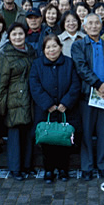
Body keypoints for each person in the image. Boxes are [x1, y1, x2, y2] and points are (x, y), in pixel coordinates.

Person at [30, 34, 81, 184]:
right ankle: (49, 170)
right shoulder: (37, 64)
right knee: (47, 141)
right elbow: (34, 86)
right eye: (48, 47)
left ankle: (63, 169)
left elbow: (75, 84)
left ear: (60, 47)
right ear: (43, 49)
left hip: (66, 110)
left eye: (54, 46)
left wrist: (66, 102)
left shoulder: (69, 63)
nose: (51, 50)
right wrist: (48, 104)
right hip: (46, 111)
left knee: (64, 140)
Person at [71, 13, 104, 181]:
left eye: (97, 23)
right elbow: (81, 68)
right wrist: (98, 84)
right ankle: (87, 166)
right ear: (84, 26)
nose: (94, 26)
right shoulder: (79, 45)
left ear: (102, 25)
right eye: (90, 23)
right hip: (87, 94)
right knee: (87, 133)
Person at [0, 22, 36, 181]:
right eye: (14, 34)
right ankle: (15, 169)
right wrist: (1, 106)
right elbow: (1, 82)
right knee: (15, 135)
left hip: (30, 97)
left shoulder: (31, 51)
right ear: (9, 37)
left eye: (20, 34)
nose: (18, 37)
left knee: (28, 133)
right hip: (13, 99)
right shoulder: (5, 55)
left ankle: (27, 166)